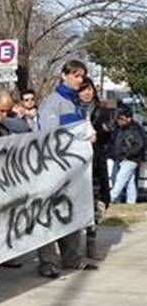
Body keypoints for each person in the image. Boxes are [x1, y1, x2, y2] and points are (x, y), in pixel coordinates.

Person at [36, 59, 98, 278]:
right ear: (64, 75)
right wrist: (81, 135)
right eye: (75, 75)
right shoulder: (53, 102)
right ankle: (48, 262)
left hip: (74, 170)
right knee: (48, 215)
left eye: (82, 76)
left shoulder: (78, 104)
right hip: (54, 167)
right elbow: (51, 135)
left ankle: (72, 257)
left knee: (71, 211)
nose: (79, 80)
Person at [79, 78, 112, 259]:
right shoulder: (72, 109)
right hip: (76, 164)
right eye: (83, 90)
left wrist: (106, 132)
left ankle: (91, 245)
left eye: (89, 89)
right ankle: (73, 250)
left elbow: (106, 138)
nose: (86, 93)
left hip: (96, 162)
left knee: (94, 203)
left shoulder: (102, 111)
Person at [109, 105, 145, 205]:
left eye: (121, 119)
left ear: (128, 118)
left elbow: (139, 144)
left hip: (130, 159)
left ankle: (111, 198)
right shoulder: (122, 128)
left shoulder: (134, 129)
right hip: (125, 158)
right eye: (118, 119)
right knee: (130, 182)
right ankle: (131, 202)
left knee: (120, 179)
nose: (119, 121)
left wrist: (126, 154)